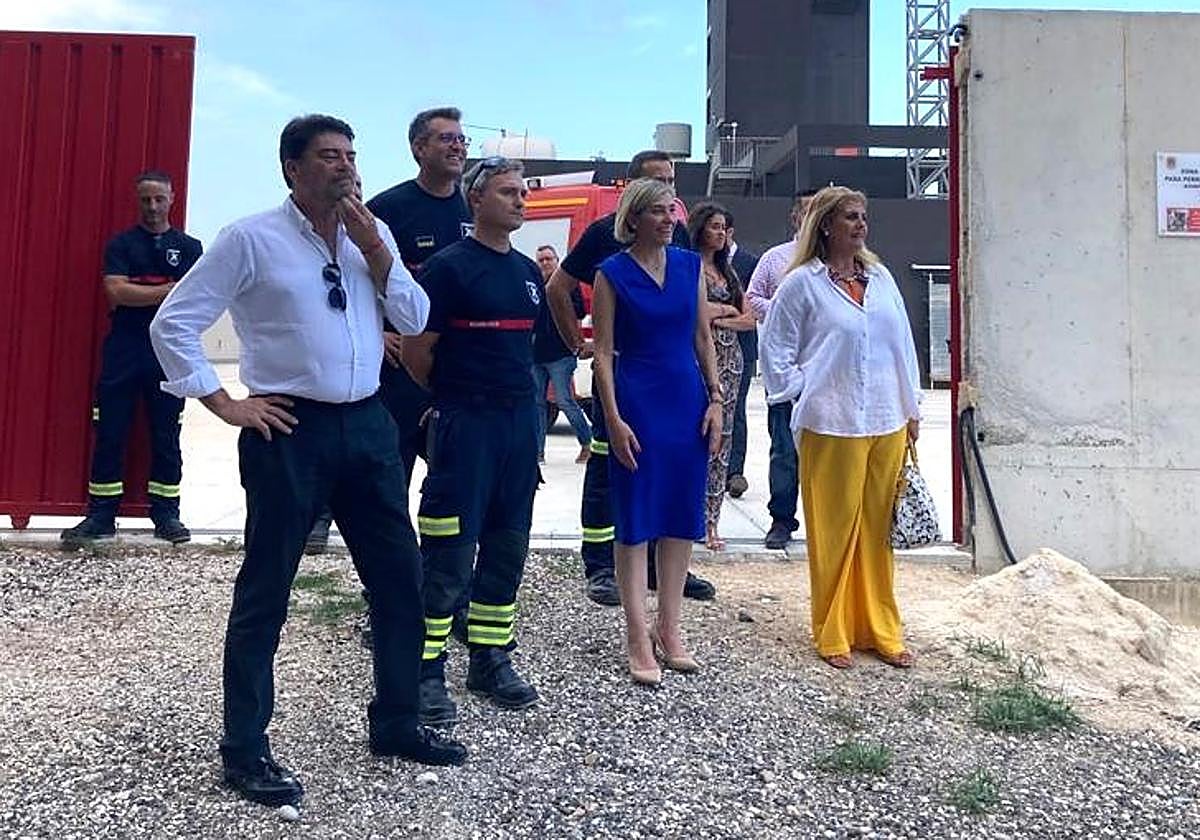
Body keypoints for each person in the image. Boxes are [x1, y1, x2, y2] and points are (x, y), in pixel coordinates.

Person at [149, 114, 467, 809]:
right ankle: (244, 748)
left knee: (399, 582)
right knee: (267, 591)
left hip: (369, 427)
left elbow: (414, 320)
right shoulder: (250, 239)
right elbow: (172, 321)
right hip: (290, 431)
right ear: (291, 167)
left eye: (351, 155)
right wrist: (224, 402)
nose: (345, 167)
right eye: (329, 156)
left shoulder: (366, 237)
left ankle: (397, 721)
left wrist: (377, 253)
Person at [400, 157, 542, 725]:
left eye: (523, 193)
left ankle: (489, 658)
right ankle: (425, 669)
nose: (520, 201)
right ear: (475, 199)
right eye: (507, 192)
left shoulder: (530, 273)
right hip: (465, 427)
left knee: (508, 547)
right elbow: (417, 353)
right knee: (449, 554)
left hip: (518, 427)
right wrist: (456, 400)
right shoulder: (447, 269)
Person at [759, 186, 923, 671]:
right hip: (830, 421)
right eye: (850, 216)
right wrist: (800, 387)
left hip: (886, 419)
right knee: (834, 530)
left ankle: (880, 628)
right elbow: (776, 347)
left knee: (876, 531)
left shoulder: (882, 277)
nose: (860, 224)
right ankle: (832, 629)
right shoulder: (801, 283)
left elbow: (903, 345)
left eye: (863, 216)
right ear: (826, 225)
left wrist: (911, 406)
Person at [545, 150, 717, 606]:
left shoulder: (677, 237)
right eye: (658, 183)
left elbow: (694, 318)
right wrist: (573, 343)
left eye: (672, 183)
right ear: (632, 190)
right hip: (627, 381)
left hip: (674, 383)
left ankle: (666, 568)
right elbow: (559, 286)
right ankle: (600, 565)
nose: (669, 195)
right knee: (610, 465)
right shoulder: (605, 235)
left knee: (668, 471)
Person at [304, 106, 472, 555]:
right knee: (388, 486)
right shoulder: (387, 210)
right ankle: (386, 596)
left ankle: (445, 593)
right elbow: (346, 281)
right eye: (446, 139)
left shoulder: (475, 206)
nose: (457, 147)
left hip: (458, 372)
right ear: (418, 149)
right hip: (398, 373)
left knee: (456, 487)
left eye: (461, 140)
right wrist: (377, 334)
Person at [591, 178, 724, 685]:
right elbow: (602, 351)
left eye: (672, 211)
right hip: (637, 399)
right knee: (637, 517)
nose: (671, 219)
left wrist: (716, 399)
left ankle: (671, 627)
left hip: (685, 398)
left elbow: (701, 336)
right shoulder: (612, 274)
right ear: (636, 218)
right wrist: (613, 417)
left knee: (678, 513)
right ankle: (636, 633)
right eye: (660, 212)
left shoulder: (690, 267)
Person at [60, 171, 202, 548]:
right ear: (137, 201)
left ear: (172, 198)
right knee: (110, 430)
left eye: (159, 199)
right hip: (124, 347)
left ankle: (166, 514)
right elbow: (116, 293)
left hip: (168, 351)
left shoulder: (190, 248)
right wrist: (170, 289)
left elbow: (192, 301)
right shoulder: (121, 245)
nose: (153, 207)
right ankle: (102, 515)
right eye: (145, 200)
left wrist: (141, 289)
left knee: (166, 433)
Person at [747, 188, 817, 550]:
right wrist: (781, 309)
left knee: (829, 452)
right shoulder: (776, 259)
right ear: (795, 217)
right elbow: (751, 297)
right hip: (785, 373)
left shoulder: (838, 261)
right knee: (785, 451)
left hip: (827, 375)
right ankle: (782, 519)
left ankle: (828, 522)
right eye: (808, 210)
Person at [687, 202, 756, 551]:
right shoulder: (687, 266)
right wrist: (713, 315)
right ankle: (691, 518)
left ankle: (712, 521)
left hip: (731, 358)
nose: (720, 233)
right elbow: (690, 313)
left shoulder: (728, 272)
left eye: (724, 227)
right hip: (698, 358)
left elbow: (748, 317)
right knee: (694, 435)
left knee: (722, 441)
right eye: (714, 226)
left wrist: (720, 317)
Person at [531, 244, 592, 464]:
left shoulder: (568, 285)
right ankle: (538, 452)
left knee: (565, 401)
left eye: (549, 259)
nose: (545, 263)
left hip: (561, 353)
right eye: (541, 260)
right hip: (535, 355)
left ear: (557, 261)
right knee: (537, 404)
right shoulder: (533, 285)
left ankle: (587, 443)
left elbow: (579, 312)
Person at [724, 216, 760, 499]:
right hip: (711, 348)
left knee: (736, 409)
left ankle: (734, 471)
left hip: (742, 347)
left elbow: (753, 308)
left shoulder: (750, 262)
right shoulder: (702, 262)